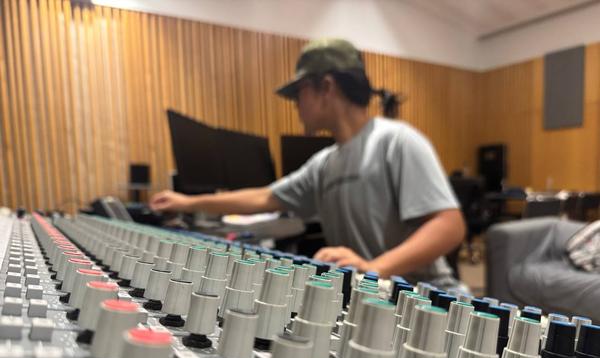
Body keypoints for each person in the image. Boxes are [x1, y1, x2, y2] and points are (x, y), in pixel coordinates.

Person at [150, 38, 465, 288]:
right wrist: (187, 202)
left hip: (426, 300)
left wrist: (373, 269)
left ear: (326, 87)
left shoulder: (396, 141)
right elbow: (264, 197)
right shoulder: (324, 163)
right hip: (373, 295)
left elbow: (449, 226)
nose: (296, 105)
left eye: (298, 93)